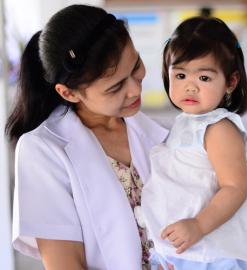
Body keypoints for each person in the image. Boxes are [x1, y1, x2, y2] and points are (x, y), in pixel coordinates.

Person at [5, 5, 168, 270]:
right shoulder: (43, 150)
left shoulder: (164, 133)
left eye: (135, 65)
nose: (135, 88)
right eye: (116, 86)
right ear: (69, 93)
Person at [139, 16, 247, 270]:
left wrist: (198, 225)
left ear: (230, 82)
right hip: (183, 251)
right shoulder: (183, 123)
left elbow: (234, 189)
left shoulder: (219, 128)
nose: (190, 87)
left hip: (211, 253)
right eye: (180, 75)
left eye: (204, 78)